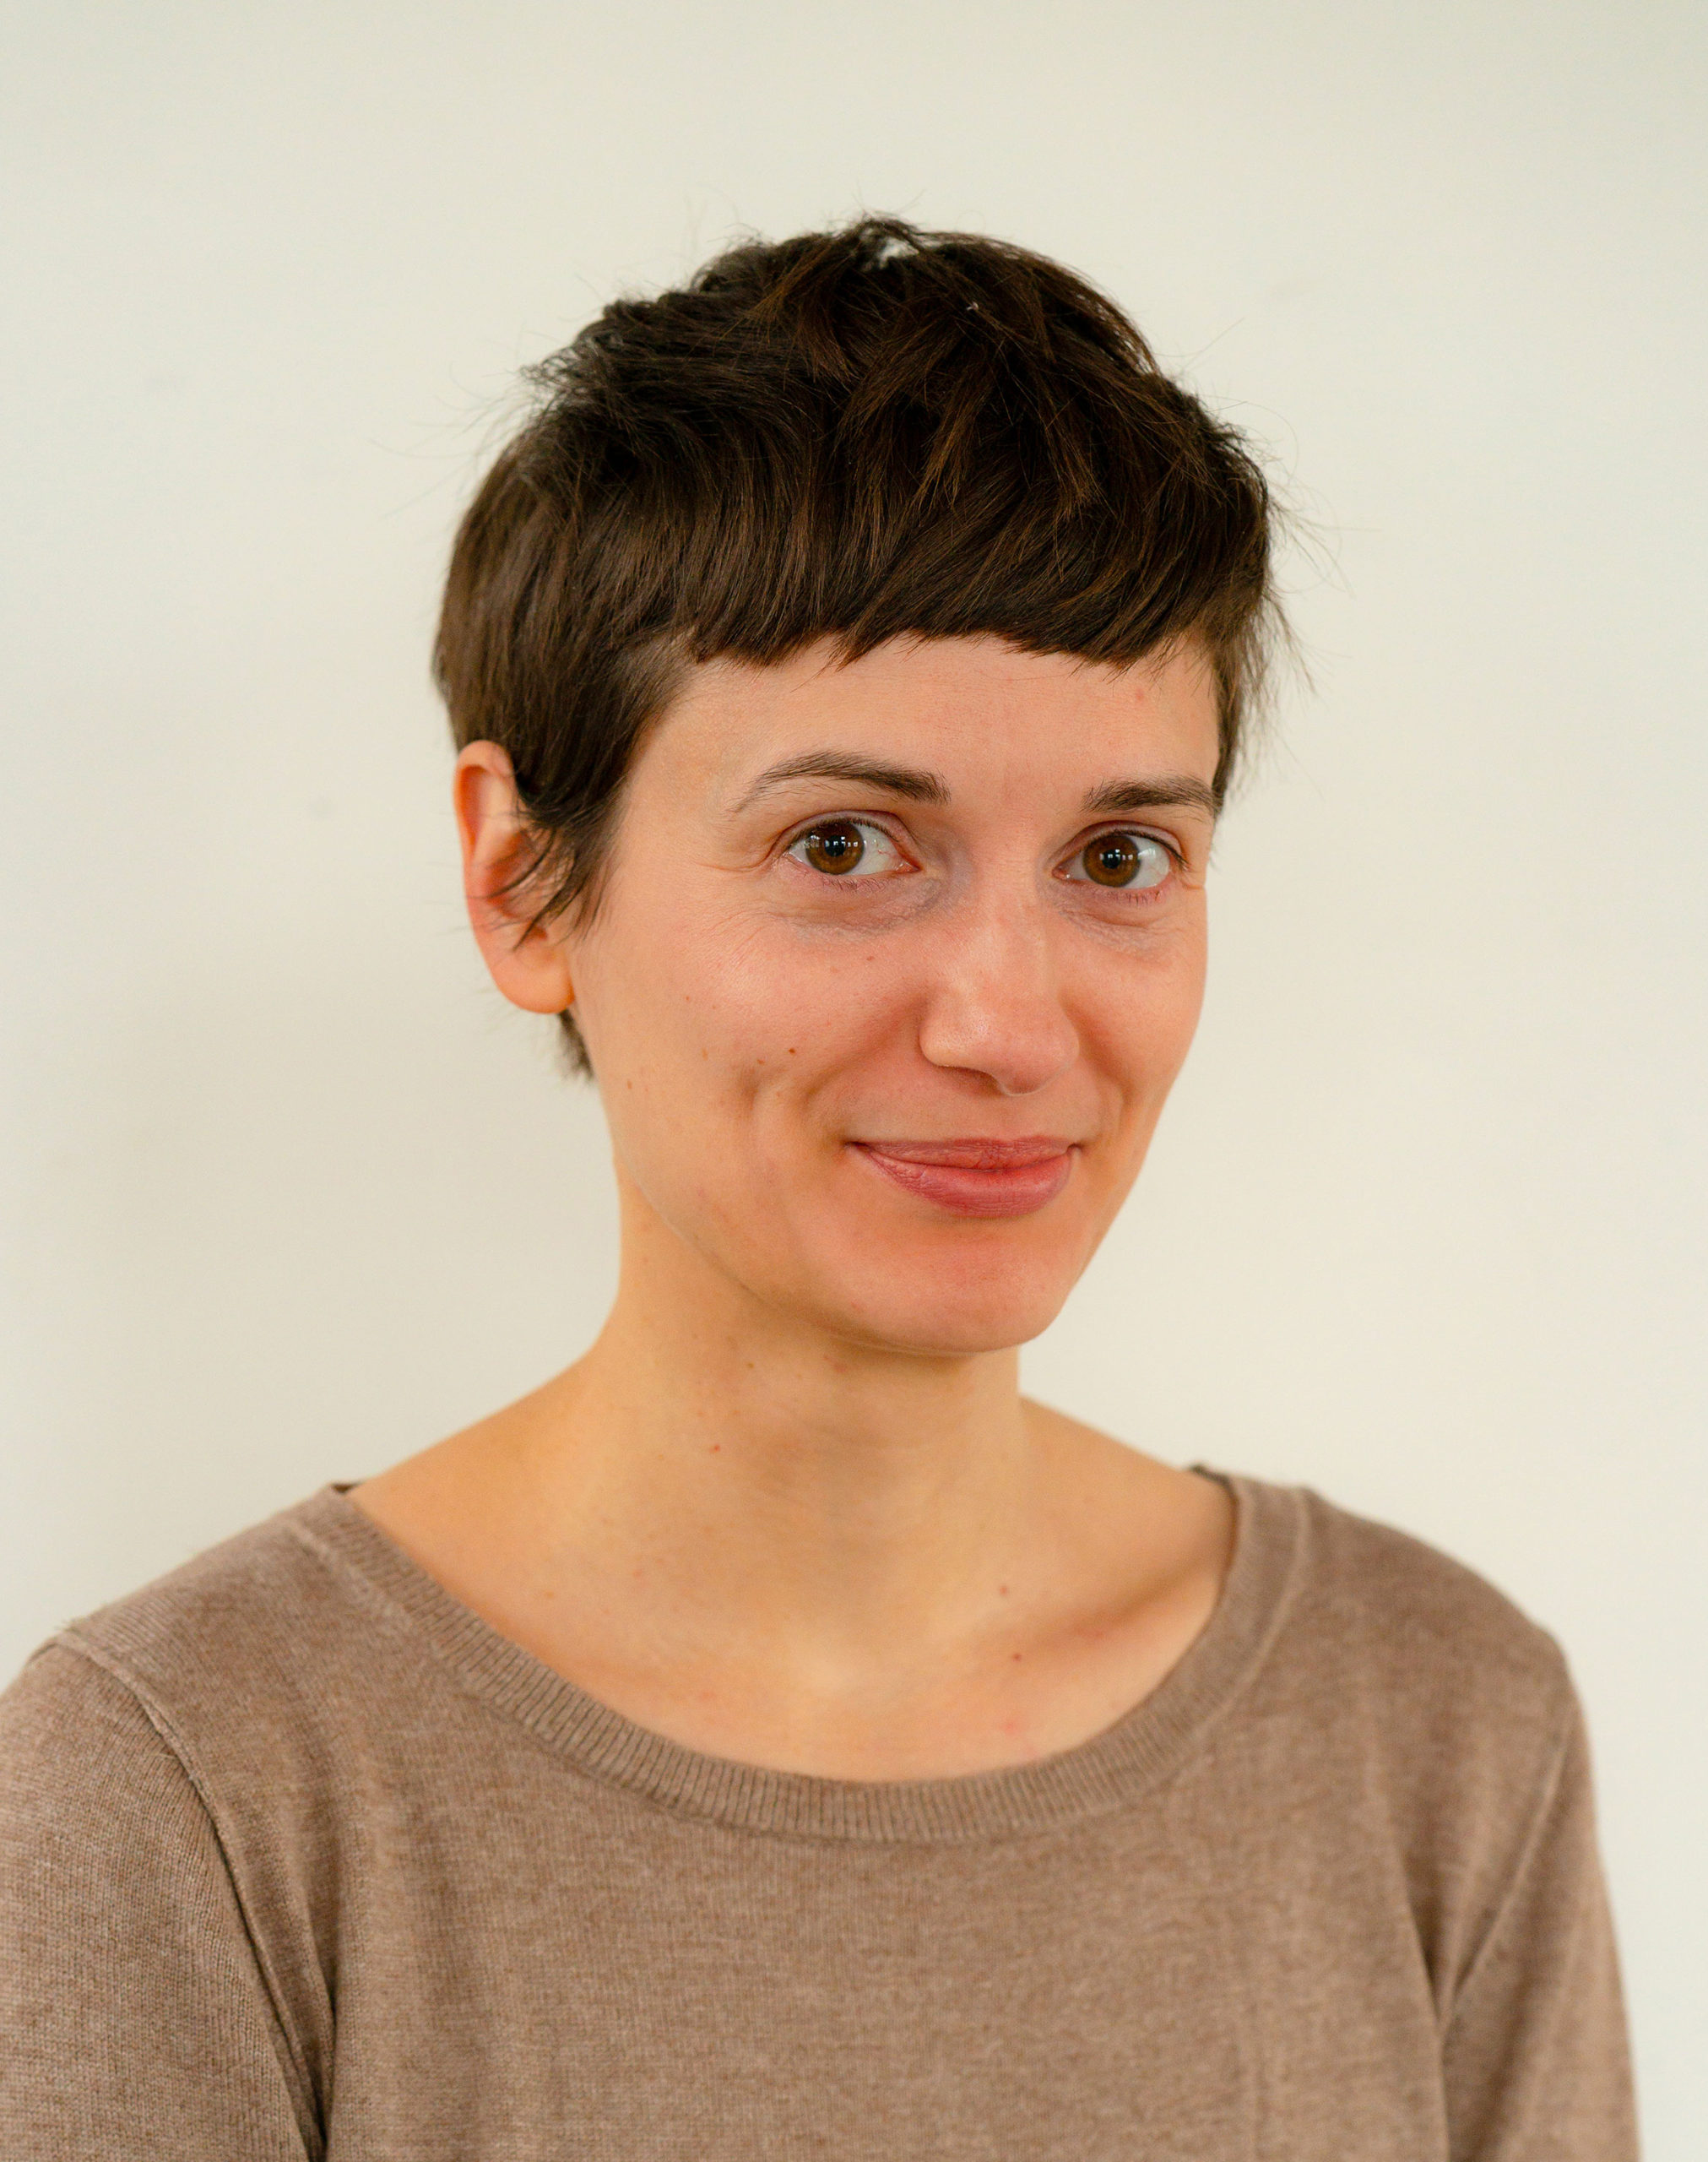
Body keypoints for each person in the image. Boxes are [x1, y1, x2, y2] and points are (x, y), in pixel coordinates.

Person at [0, 217, 1636, 2159]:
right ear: (523, 882)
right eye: (846, 843)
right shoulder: (187, 1780)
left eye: (1119, 858)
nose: (1008, 1023)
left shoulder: (1435, 1727)